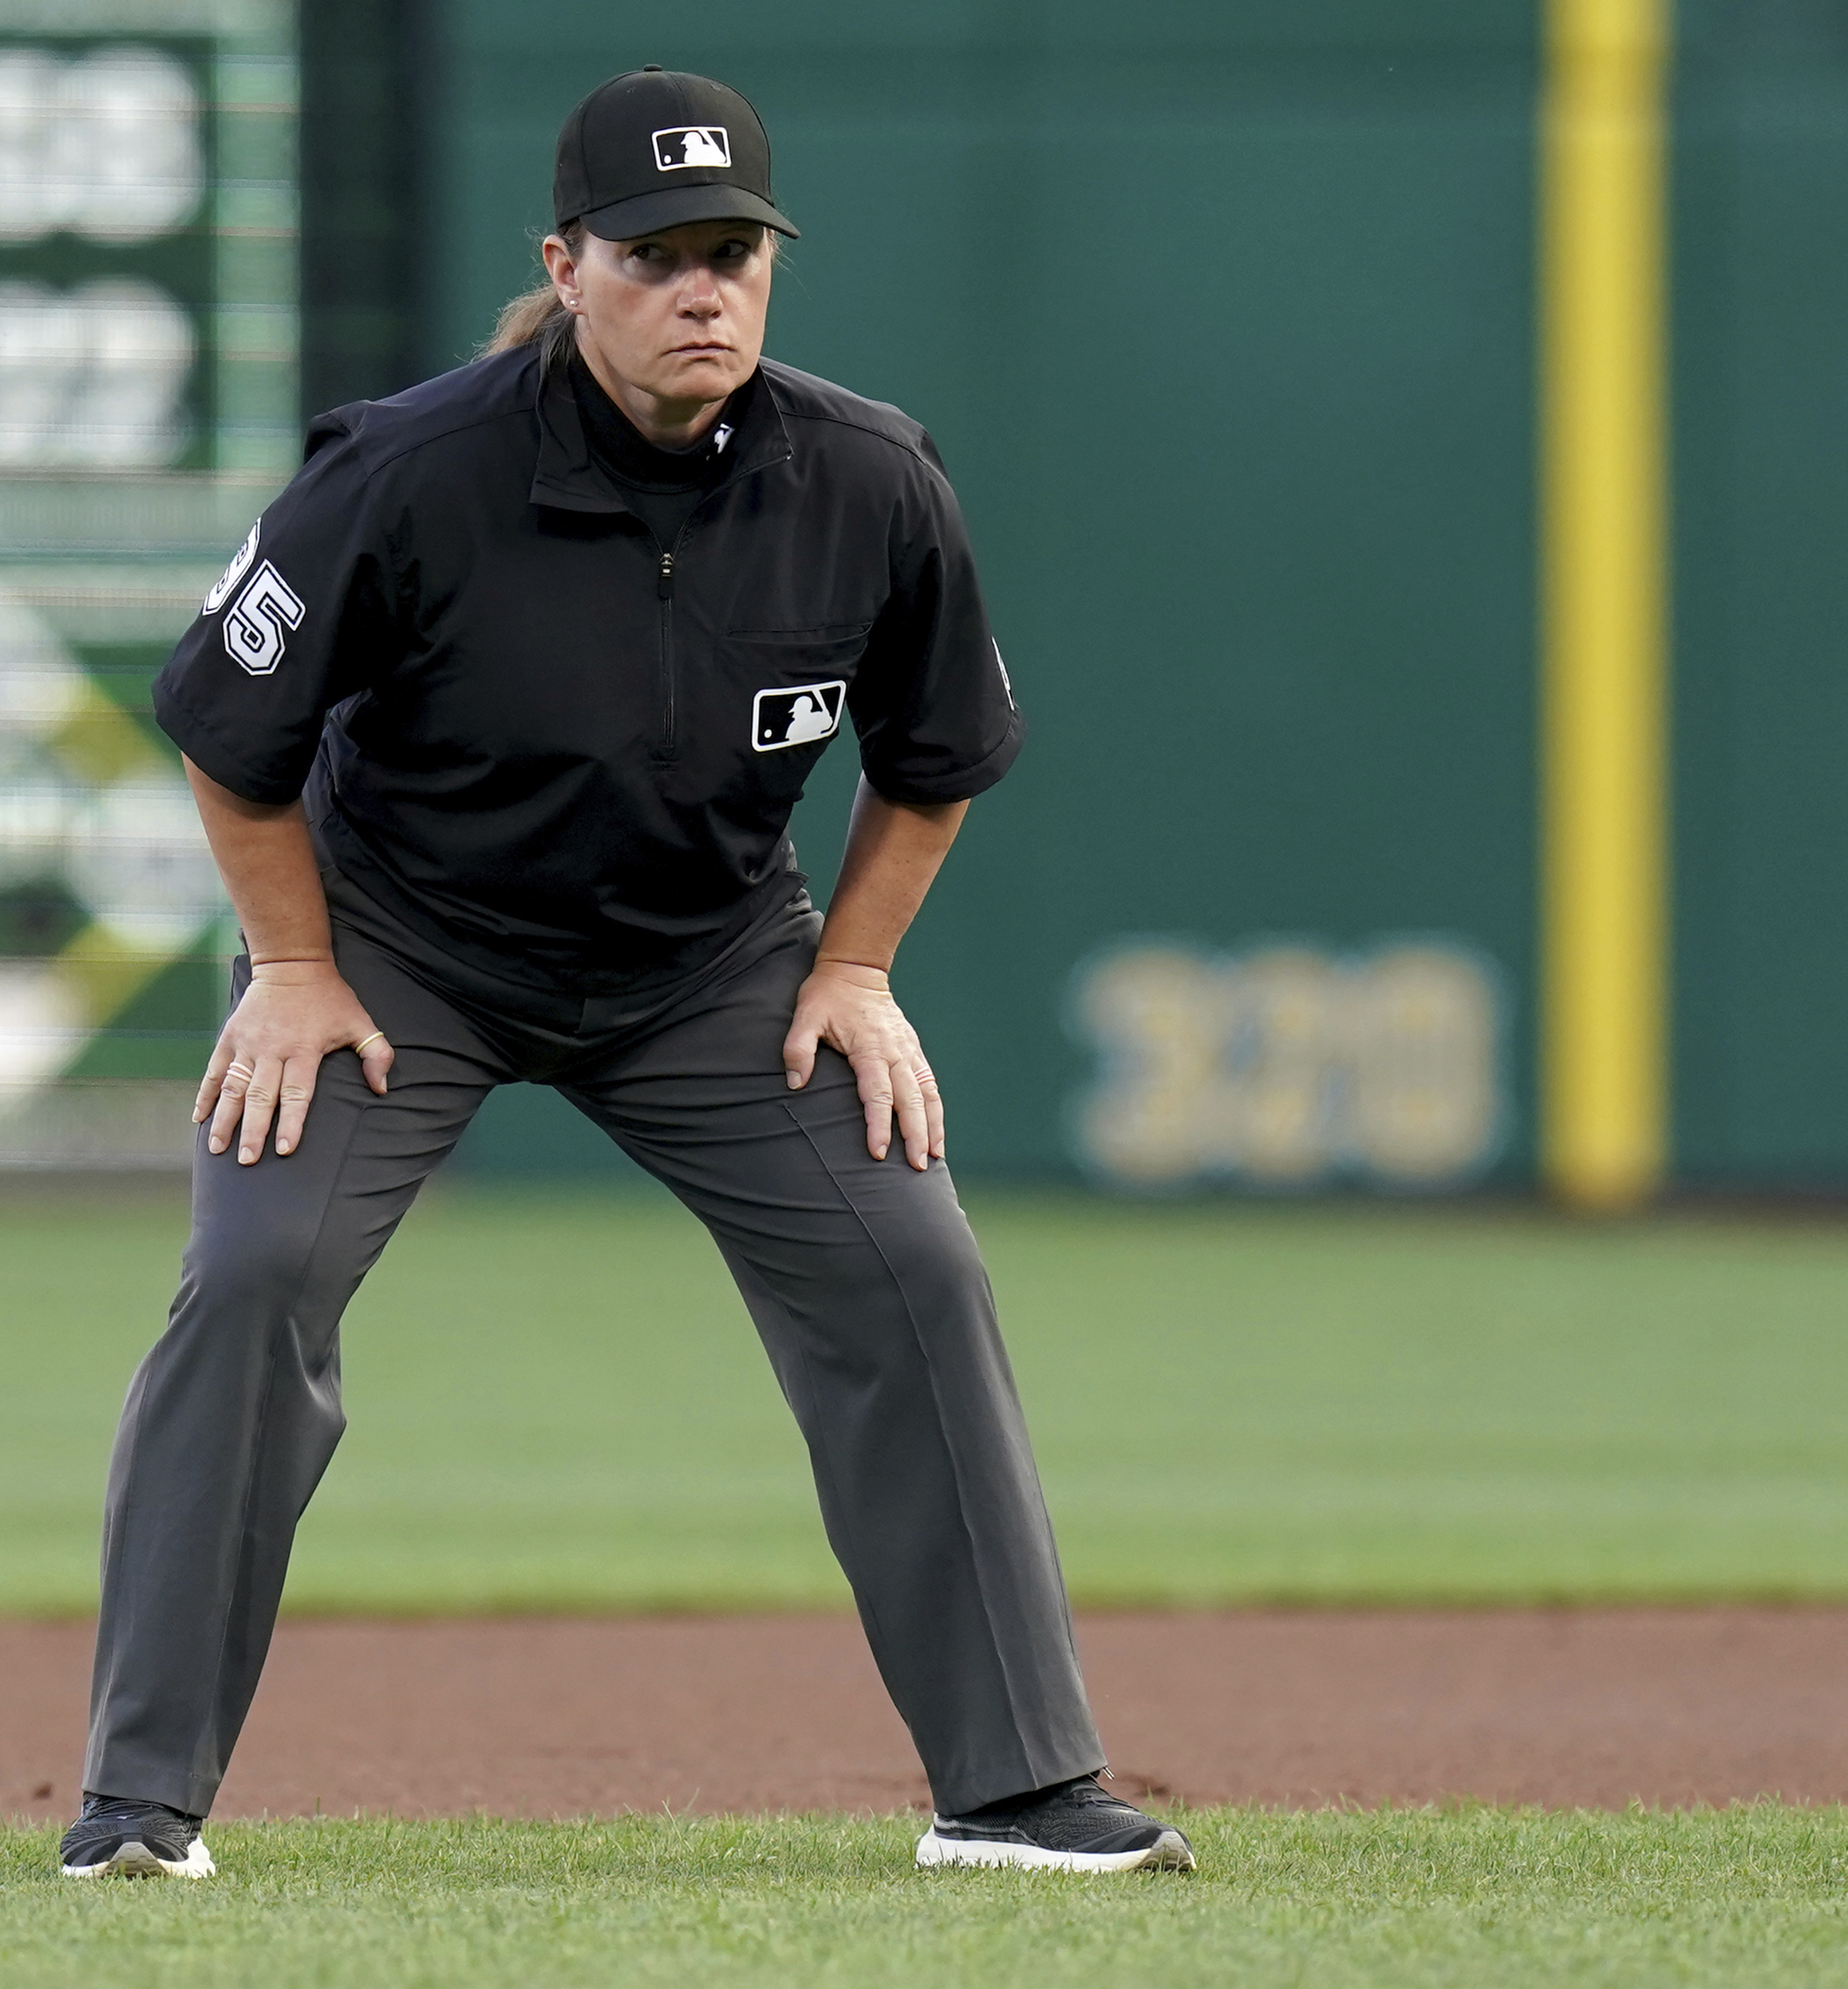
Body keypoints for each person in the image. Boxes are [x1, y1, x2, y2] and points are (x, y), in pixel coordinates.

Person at [60, 65, 1193, 1880]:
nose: (703, 288)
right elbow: (224, 725)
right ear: (565, 265)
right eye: (658, 251)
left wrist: (860, 972)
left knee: (909, 1261)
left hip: (703, 960)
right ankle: (138, 1797)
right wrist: (286, 962)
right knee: (257, 1267)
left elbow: (940, 755)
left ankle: (1015, 1785)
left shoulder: (870, 479)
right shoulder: (409, 472)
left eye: (732, 249)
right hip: (400, 953)